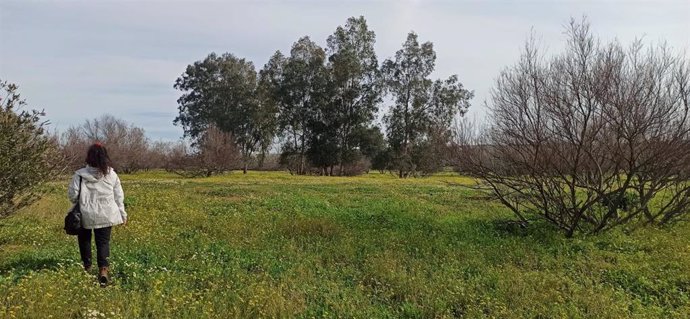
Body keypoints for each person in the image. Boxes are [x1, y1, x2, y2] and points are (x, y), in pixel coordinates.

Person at [68, 143, 127, 286]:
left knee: (84, 240)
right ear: (105, 157)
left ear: (89, 157)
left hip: (85, 213)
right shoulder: (111, 174)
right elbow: (119, 196)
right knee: (103, 242)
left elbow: (73, 195)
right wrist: (122, 214)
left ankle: (87, 267)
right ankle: (103, 270)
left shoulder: (80, 175)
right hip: (106, 214)